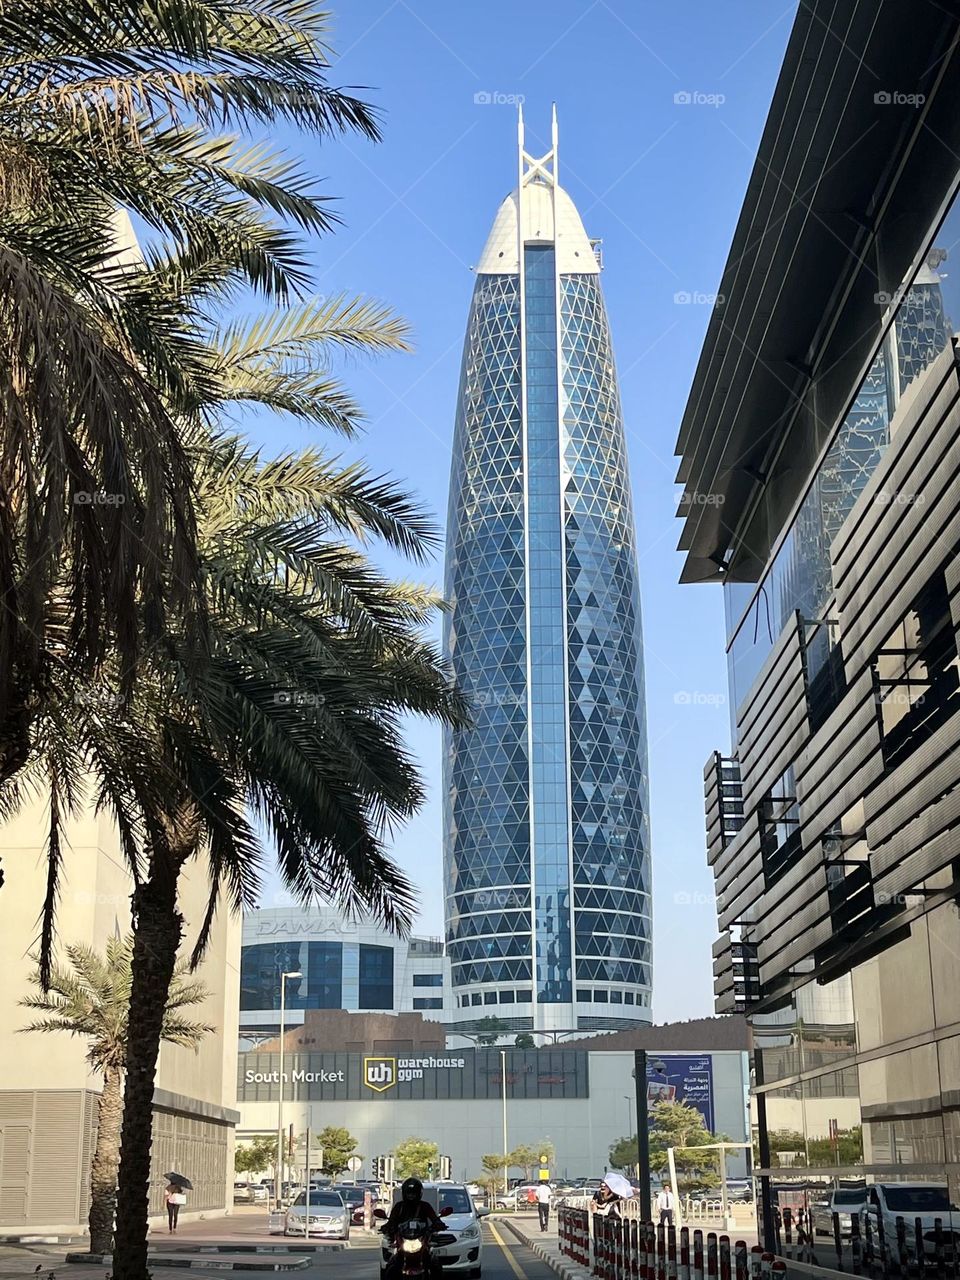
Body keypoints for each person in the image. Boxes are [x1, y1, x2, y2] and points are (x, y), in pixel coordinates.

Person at [381, 1178, 445, 1277]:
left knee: (434, 1264)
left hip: (421, 1240)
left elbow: (434, 1218)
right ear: (404, 1194)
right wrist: (386, 1227)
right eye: (409, 1193)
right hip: (403, 1241)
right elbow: (392, 1220)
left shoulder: (425, 1206)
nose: (411, 1196)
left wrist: (438, 1224)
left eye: (413, 1193)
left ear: (419, 1193)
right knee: (391, 1266)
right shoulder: (399, 1207)